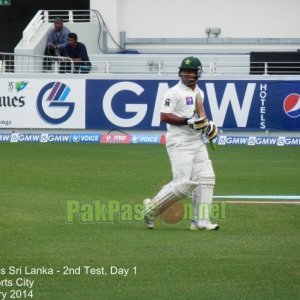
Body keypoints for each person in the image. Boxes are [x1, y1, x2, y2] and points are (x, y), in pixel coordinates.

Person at [143, 56, 219, 230]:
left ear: (198, 73)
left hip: (197, 142)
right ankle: (151, 210)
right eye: (185, 71)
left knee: (206, 178)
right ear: (180, 72)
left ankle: (201, 222)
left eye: (191, 71)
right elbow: (164, 116)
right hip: (180, 143)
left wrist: (207, 126)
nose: (188, 74)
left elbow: (200, 115)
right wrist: (187, 121)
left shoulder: (199, 92)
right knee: (184, 184)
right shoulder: (173, 92)